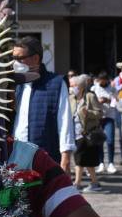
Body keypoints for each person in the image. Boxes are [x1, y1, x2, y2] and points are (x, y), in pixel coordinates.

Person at [12, 36, 75, 170]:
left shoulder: (56, 83)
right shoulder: (14, 84)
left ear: (35, 58)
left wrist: (66, 157)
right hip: (16, 158)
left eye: (19, 58)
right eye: (13, 58)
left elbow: (65, 122)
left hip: (46, 157)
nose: (15, 62)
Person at [70, 74, 103, 192]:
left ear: (81, 86)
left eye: (73, 86)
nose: (71, 88)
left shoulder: (89, 96)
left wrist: (88, 112)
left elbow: (99, 113)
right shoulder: (71, 99)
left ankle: (77, 184)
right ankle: (95, 183)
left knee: (79, 159)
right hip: (74, 133)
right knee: (86, 161)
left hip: (86, 134)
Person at [91, 71, 119, 174]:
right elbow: (91, 101)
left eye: (104, 80)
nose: (102, 82)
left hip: (109, 116)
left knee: (110, 140)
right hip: (98, 117)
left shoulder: (112, 88)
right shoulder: (94, 88)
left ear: (107, 80)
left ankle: (111, 163)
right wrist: (98, 101)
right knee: (99, 141)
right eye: (100, 80)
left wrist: (108, 100)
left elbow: (116, 101)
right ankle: (101, 163)